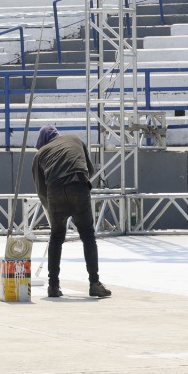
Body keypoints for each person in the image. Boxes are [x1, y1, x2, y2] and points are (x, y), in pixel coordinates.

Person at [31, 125, 110, 299]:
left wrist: (51, 208)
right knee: (88, 235)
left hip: (54, 192)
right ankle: (94, 284)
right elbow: (90, 170)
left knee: (56, 237)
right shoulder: (75, 139)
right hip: (78, 186)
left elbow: (41, 190)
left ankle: (53, 286)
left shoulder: (39, 154)